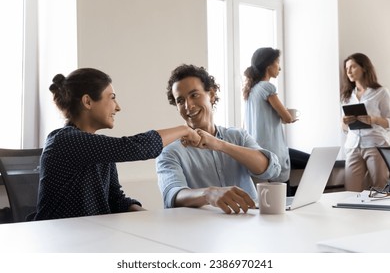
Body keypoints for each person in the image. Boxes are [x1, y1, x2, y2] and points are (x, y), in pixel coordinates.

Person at [32, 68, 201, 221]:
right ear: (88, 102)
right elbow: (136, 147)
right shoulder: (65, 140)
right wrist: (184, 130)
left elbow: (115, 199)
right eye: (112, 98)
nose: (117, 107)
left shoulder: (97, 146)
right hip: (59, 240)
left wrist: (152, 218)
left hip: (91, 236)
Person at [156, 64, 281, 214]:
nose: (188, 106)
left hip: (251, 224)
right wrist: (209, 194)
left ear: (212, 94)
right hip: (204, 231)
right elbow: (172, 195)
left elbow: (271, 170)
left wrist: (220, 145)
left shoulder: (237, 136)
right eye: (180, 101)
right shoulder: (169, 151)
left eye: (194, 95)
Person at [242, 47, 303, 190]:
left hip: (255, 149)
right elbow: (287, 117)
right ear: (268, 65)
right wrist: (289, 116)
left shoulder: (251, 90)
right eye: (277, 63)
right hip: (272, 150)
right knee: (282, 198)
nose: (279, 68)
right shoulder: (267, 87)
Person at [341, 53, 390, 191]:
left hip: (376, 145)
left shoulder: (381, 92)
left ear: (364, 68)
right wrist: (344, 121)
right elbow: (344, 128)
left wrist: (373, 119)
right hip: (352, 147)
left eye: (353, 67)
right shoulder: (347, 96)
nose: (349, 71)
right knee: (351, 191)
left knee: (381, 189)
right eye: (346, 68)